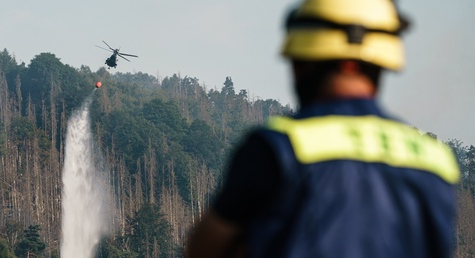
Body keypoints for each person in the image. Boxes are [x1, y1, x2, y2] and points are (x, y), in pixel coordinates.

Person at [185, 0, 460, 257]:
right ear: (382, 63)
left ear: (301, 65)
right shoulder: (435, 163)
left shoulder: (278, 150)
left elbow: (204, 249)